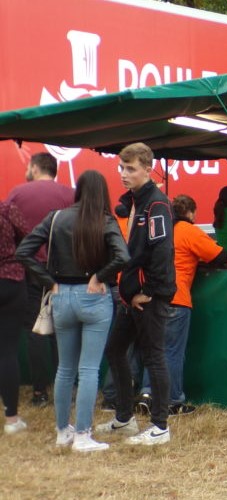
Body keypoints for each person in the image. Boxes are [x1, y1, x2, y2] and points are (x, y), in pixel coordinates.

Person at [16, 170, 129, 451]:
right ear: (102, 192)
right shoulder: (104, 220)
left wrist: (49, 282)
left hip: (61, 296)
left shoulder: (56, 218)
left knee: (65, 368)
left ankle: (62, 432)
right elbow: (123, 256)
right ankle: (82, 435)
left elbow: (24, 252)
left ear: (78, 190)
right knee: (88, 369)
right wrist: (100, 276)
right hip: (94, 298)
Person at [96, 142, 177, 445]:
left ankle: (160, 426)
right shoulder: (135, 202)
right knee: (115, 350)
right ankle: (124, 418)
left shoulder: (156, 204)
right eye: (121, 167)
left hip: (148, 297)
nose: (123, 173)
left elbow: (162, 251)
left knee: (154, 356)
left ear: (147, 168)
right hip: (130, 296)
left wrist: (149, 291)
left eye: (130, 168)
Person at [139, 195, 227, 415]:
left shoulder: (159, 230)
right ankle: (172, 400)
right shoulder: (189, 231)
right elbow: (220, 256)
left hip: (150, 297)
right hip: (176, 298)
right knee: (173, 352)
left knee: (154, 349)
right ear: (191, 213)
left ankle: (147, 394)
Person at [7, 152, 75, 407]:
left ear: (35, 167)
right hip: (64, 271)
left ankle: (39, 392)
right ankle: (63, 388)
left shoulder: (17, 194)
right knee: (62, 330)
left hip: (29, 270)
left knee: (35, 330)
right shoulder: (70, 195)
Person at [0, 200, 28, 435]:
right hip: (11, 281)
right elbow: (28, 237)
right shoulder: (7, 209)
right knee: (7, 351)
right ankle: (11, 418)